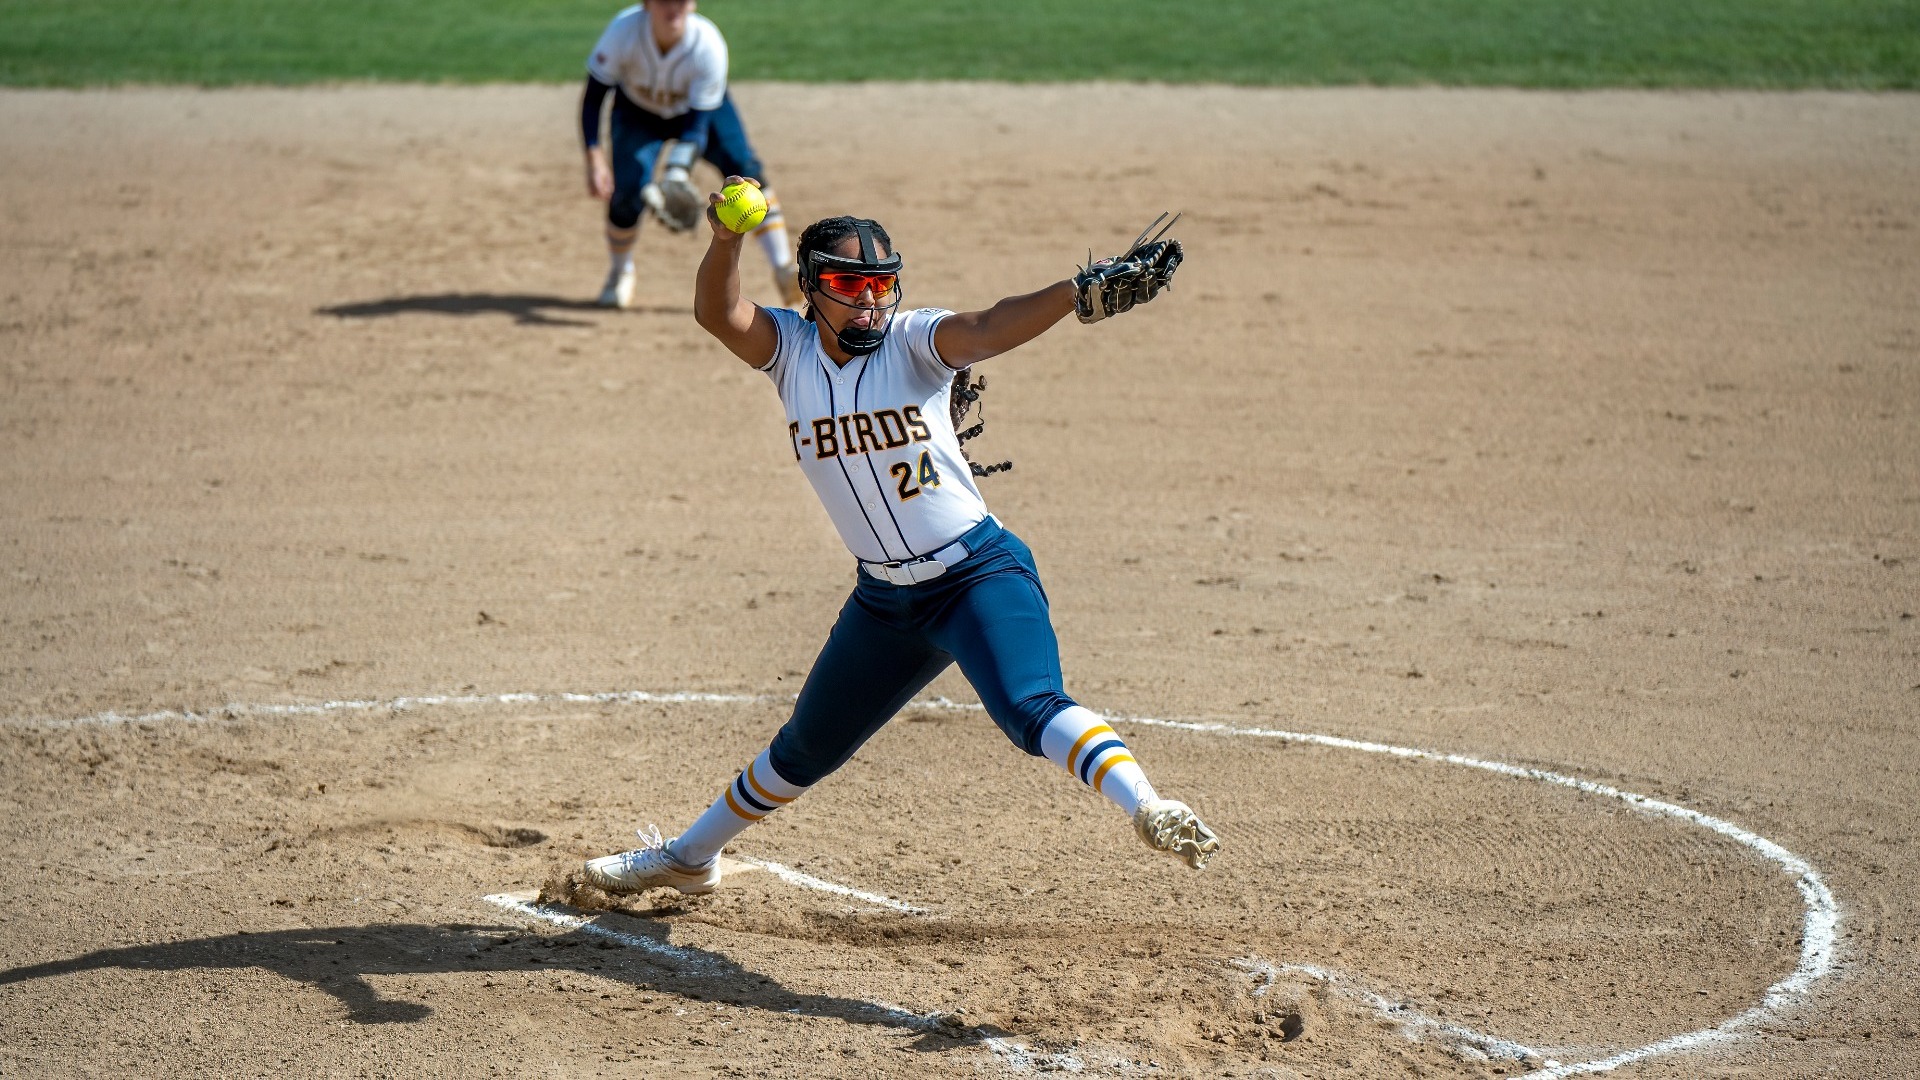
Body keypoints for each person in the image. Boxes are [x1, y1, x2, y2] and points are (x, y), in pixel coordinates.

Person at [582, 180, 1214, 897]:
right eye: (850, 284)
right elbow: (717, 312)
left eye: (881, 285)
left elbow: (987, 324)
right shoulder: (788, 351)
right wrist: (725, 237)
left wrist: (1072, 295)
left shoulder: (915, 342)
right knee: (805, 747)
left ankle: (1149, 806)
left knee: (1028, 706)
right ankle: (690, 859)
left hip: (976, 576)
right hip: (884, 604)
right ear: (812, 286)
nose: (870, 300)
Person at [579, 0, 800, 310]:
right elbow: (593, 99)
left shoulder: (707, 44)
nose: (674, 9)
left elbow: (696, 129)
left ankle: (782, 269)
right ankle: (620, 273)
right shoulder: (623, 32)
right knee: (627, 191)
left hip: (700, 112)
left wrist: (675, 173)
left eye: (681, 1)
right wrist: (594, 156)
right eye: (664, 1)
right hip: (636, 113)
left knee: (745, 168)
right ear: (647, 4)